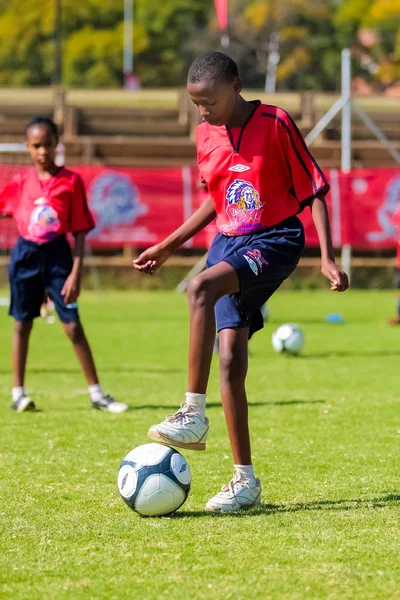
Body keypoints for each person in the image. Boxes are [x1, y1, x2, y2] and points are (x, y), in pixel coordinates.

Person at [133, 52, 349, 512]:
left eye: (209, 101)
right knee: (229, 359)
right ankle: (244, 482)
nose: (203, 111)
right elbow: (216, 201)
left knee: (199, 288)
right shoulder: (203, 135)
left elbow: (313, 187)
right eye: (195, 104)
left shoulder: (275, 122)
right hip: (228, 245)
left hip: (276, 239)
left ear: (235, 85)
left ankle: (193, 412)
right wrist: (168, 245)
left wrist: (327, 257)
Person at [0, 116, 128, 414]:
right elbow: (9, 209)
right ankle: (18, 393)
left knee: (72, 326)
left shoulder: (71, 182)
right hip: (25, 256)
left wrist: (76, 272)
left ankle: (97, 394)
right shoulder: (19, 183)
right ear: (27, 148)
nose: (42, 151)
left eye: (47, 144)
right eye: (36, 146)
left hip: (58, 257)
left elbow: (81, 230)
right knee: (22, 323)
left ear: (57, 144)